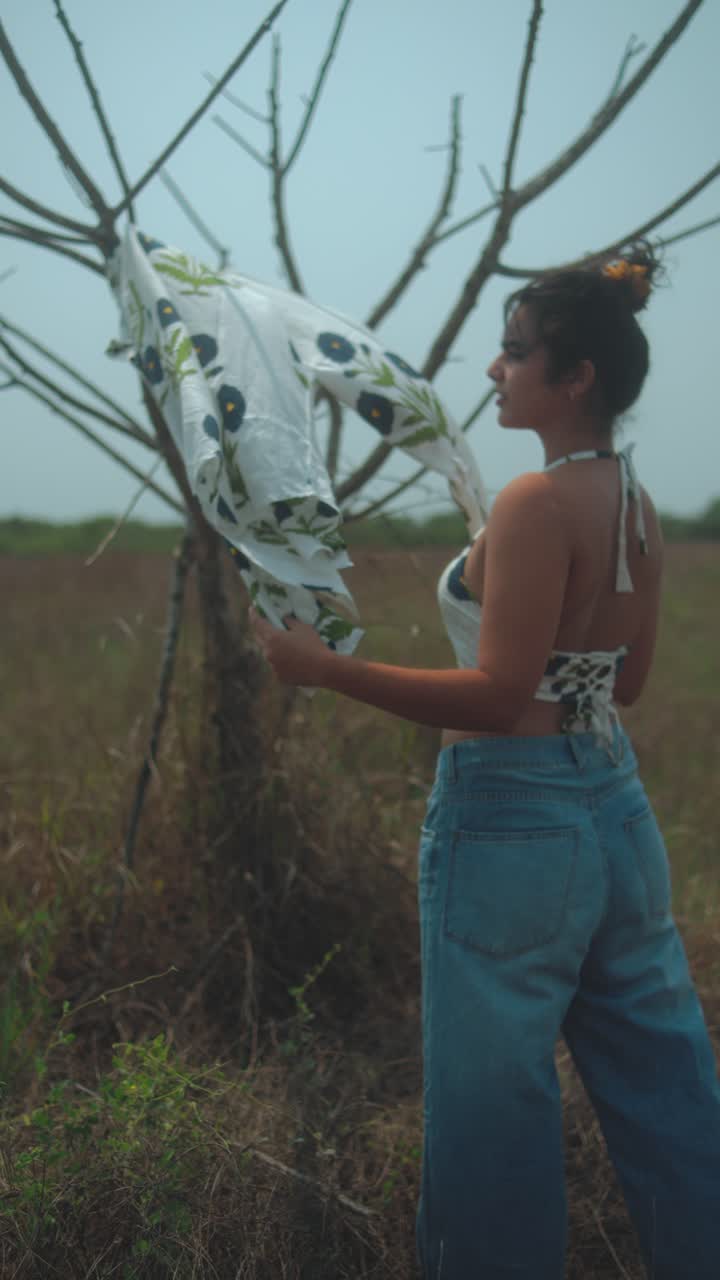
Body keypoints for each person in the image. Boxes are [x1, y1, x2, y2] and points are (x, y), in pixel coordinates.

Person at [250, 246, 720, 1280]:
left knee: (489, 1107)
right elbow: (623, 682)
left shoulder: (532, 503)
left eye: (514, 355)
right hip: (616, 804)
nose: (495, 374)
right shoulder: (636, 503)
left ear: (575, 376)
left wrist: (325, 668)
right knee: (665, 1079)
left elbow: (504, 696)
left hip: (512, 818)